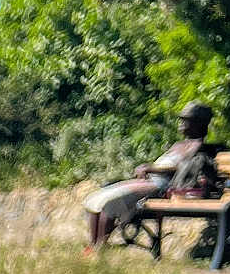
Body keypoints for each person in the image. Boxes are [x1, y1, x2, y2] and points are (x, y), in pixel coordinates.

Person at [84, 100, 218, 249]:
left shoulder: (197, 147)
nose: (181, 123)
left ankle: (99, 248)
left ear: (198, 123)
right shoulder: (179, 145)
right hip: (149, 181)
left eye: (185, 120)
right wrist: (147, 169)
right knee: (97, 198)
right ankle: (93, 246)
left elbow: (182, 170)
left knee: (110, 204)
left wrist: (151, 168)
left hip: (162, 186)